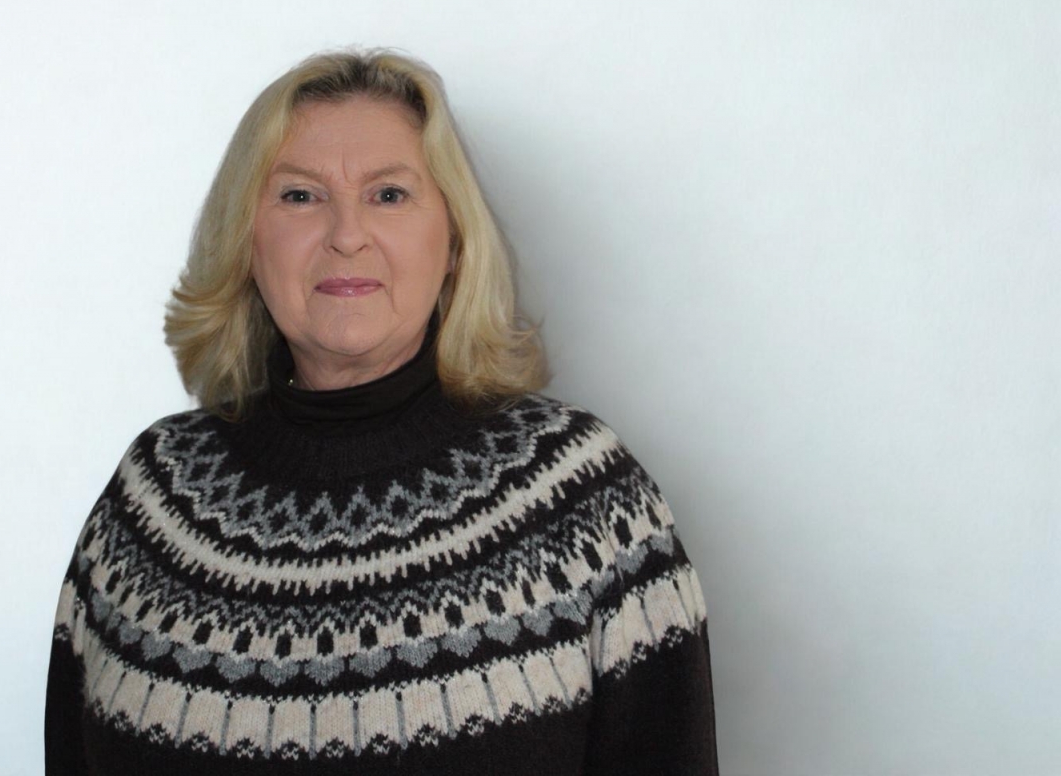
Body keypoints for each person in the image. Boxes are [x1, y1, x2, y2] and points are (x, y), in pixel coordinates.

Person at [45, 49, 718, 775]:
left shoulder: (581, 501)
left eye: (389, 195)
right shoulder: (154, 501)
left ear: (454, 242)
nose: (346, 234)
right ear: (245, 241)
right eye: (299, 196)